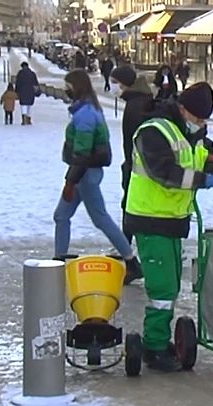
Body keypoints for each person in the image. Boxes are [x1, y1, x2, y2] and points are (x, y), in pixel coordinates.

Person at [124, 82, 213, 371]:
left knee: (168, 284)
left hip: (172, 220)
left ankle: (160, 340)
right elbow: (165, 173)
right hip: (150, 218)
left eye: (204, 120)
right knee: (162, 288)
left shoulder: (189, 133)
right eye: (197, 118)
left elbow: (205, 156)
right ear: (182, 109)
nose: (201, 124)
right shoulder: (153, 131)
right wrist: (206, 181)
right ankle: (153, 347)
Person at [55, 69, 143, 284]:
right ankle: (57, 262)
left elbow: (82, 153)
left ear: (77, 87)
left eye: (69, 86)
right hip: (83, 173)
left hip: (84, 174)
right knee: (61, 216)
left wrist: (70, 181)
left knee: (100, 218)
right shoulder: (86, 109)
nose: (66, 90)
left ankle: (131, 261)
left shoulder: (85, 114)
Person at [110, 65, 154, 245]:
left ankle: (126, 250)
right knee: (131, 207)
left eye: (115, 82)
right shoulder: (140, 101)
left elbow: (134, 139)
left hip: (138, 166)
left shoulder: (135, 106)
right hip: (137, 164)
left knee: (131, 207)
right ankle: (126, 247)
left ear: (124, 84)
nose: (112, 86)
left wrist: (130, 164)